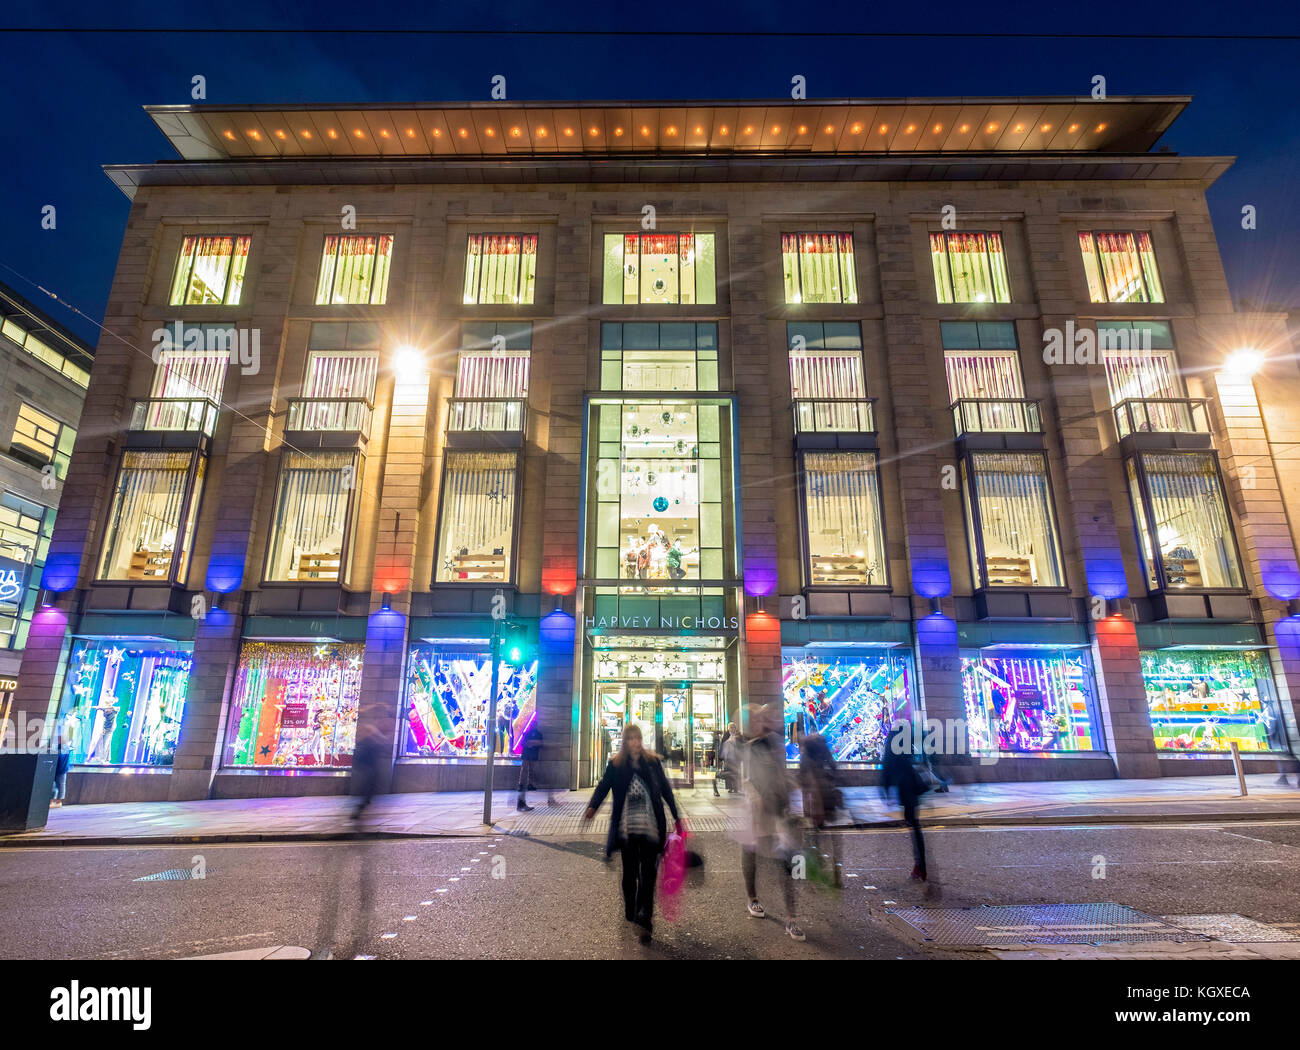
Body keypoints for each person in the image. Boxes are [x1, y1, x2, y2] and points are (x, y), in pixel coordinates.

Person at [583, 723, 682, 945]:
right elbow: (603, 786)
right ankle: (631, 908)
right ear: (625, 743)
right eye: (631, 739)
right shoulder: (616, 765)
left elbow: (666, 790)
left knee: (648, 874)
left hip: (651, 827)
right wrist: (592, 807)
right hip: (627, 829)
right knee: (630, 875)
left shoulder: (653, 762)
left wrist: (677, 816)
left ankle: (645, 918)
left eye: (638, 738)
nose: (635, 743)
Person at [740, 705, 804, 941]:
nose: (764, 721)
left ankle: (791, 917)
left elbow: (782, 773)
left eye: (767, 717)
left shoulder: (777, 744)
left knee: (786, 860)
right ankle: (753, 898)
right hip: (757, 812)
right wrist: (756, 799)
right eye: (758, 718)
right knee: (750, 852)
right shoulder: (749, 747)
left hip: (778, 811)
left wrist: (792, 795)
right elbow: (745, 779)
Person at [880, 722, 929, 885]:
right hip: (912, 787)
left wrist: (885, 788)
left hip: (905, 788)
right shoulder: (907, 742)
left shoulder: (893, 742)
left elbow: (887, 763)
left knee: (913, 825)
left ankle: (920, 865)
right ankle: (920, 864)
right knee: (914, 824)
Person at [798, 725, 843, 887]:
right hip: (829, 801)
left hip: (816, 804)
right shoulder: (825, 754)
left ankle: (812, 868)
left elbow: (805, 785)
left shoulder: (806, 758)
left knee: (813, 837)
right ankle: (837, 872)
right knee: (833, 838)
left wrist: (806, 809)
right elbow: (835, 770)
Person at [350, 721, 386, 822]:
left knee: (367, 791)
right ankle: (360, 808)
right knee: (367, 791)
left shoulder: (365, 743)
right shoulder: (369, 743)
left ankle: (362, 806)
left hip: (368, 771)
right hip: (369, 772)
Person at [516, 720, 556, 811]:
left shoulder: (538, 734)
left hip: (532, 755)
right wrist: (530, 744)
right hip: (527, 754)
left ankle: (529, 785)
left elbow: (541, 743)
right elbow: (523, 743)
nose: (534, 726)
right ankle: (522, 788)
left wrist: (534, 743)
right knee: (525, 770)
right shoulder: (527, 733)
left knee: (531, 770)